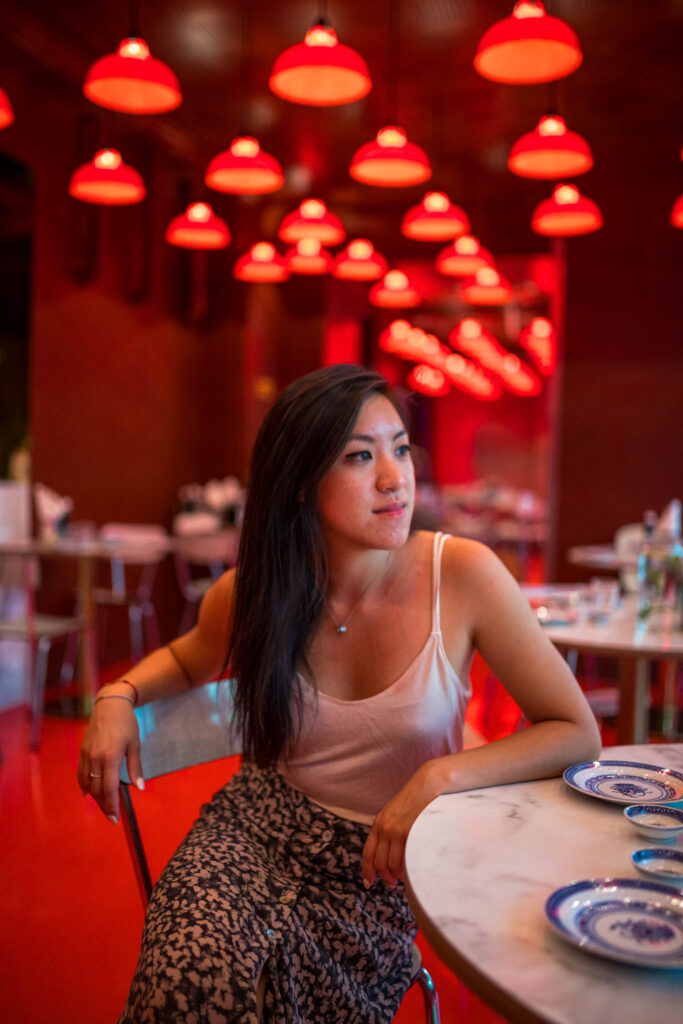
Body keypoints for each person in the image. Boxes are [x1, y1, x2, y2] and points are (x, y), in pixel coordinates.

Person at [78, 364, 601, 1024]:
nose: (394, 478)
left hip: (379, 874)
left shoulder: (462, 575)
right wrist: (116, 696)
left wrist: (441, 776)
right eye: (359, 456)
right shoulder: (255, 592)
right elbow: (186, 661)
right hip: (252, 835)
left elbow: (574, 732)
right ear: (299, 482)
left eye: (400, 448)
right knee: (188, 982)